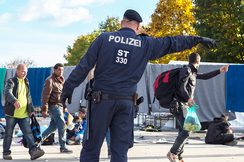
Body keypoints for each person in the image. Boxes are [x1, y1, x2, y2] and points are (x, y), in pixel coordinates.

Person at [60, 9, 218, 162]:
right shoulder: (145, 43)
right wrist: (198, 39)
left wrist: (67, 89)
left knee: (91, 149)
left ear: (122, 22)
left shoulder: (104, 38)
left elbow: (83, 66)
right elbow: (173, 42)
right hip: (126, 103)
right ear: (137, 27)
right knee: (120, 151)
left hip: (101, 101)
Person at [167, 53, 230, 162]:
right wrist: (188, 98)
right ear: (198, 62)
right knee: (187, 130)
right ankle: (173, 152)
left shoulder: (191, 71)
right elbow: (181, 86)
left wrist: (220, 71)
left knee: (183, 129)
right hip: (178, 104)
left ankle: (178, 156)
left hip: (182, 104)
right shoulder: (187, 71)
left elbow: (204, 76)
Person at [2, 64, 45, 160]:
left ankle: (33, 152)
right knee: (8, 134)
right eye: (23, 71)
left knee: (28, 133)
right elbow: (7, 92)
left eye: (26, 71)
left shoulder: (26, 81)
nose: (25, 73)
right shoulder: (11, 81)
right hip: (11, 114)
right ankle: (6, 153)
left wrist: (32, 110)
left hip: (24, 114)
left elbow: (28, 96)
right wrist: (15, 101)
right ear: (17, 71)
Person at [41, 63, 72, 153]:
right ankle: (63, 147)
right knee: (62, 125)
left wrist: (64, 106)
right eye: (59, 70)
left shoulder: (61, 80)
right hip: (53, 105)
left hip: (59, 106)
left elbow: (63, 95)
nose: (61, 71)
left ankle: (37, 142)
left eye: (62, 70)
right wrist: (44, 109)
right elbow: (45, 96)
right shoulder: (49, 80)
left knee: (53, 127)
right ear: (54, 70)